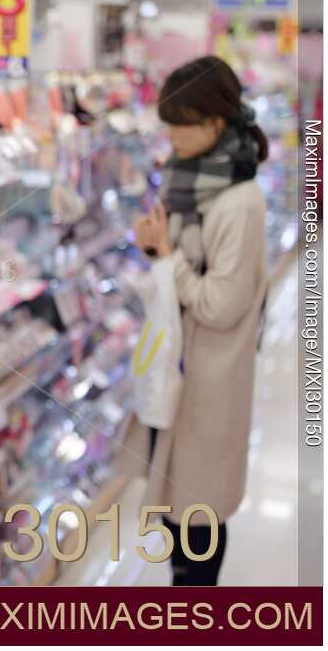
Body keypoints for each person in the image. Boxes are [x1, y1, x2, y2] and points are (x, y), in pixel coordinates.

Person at [122, 56, 269, 586]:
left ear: (214, 121)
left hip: (209, 376)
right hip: (175, 365)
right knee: (174, 507)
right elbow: (173, 270)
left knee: (198, 513)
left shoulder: (240, 201)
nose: (170, 133)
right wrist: (154, 251)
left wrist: (166, 257)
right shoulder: (181, 179)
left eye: (180, 121)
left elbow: (219, 305)